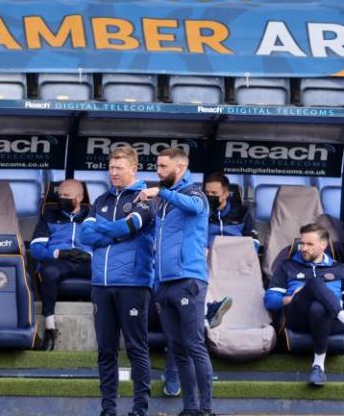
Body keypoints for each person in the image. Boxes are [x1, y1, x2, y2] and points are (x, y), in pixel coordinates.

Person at [78, 145, 155, 416]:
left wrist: (104, 230)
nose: (113, 172)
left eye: (119, 168)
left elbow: (131, 226)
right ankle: (108, 409)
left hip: (133, 284)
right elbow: (83, 237)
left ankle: (139, 409)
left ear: (133, 169)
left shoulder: (145, 198)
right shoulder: (100, 201)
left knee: (136, 348)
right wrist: (114, 233)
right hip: (101, 285)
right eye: (111, 167)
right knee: (106, 351)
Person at [142, 147, 214, 416]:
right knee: (178, 348)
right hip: (164, 284)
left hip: (188, 280)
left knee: (194, 344)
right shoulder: (165, 201)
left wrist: (160, 192)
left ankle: (206, 409)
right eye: (157, 166)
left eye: (162, 167)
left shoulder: (194, 192)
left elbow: (195, 207)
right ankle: (191, 408)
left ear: (180, 168)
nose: (158, 172)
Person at [264, 223, 344, 386]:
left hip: (331, 322)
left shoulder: (339, 269)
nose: (304, 248)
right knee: (314, 283)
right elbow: (269, 299)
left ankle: (318, 366)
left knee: (318, 308)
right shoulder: (287, 266)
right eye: (302, 244)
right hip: (298, 317)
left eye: (309, 244)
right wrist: (287, 299)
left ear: (323, 245)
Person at [30, 179, 92, 351]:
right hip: (58, 262)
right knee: (48, 272)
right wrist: (58, 253)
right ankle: (50, 327)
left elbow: (105, 244)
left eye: (66, 195)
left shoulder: (93, 217)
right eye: (60, 195)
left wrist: (90, 255)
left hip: (85, 262)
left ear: (79, 198)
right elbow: (35, 249)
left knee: (108, 271)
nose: (61, 199)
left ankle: (107, 327)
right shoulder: (49, 216)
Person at [204, 172, 259, 250]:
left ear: (225, 194)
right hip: (208, 258)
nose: (210, 196)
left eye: (214, 193)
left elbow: (254, 242)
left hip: (236, 258)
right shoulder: (200, 213)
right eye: (207, 193)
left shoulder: (242, 212)